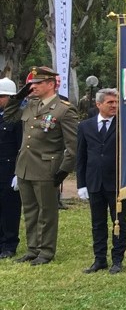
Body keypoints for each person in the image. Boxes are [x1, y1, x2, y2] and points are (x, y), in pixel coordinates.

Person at [2, 67, 78, 265]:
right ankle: (32, 248)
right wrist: (17, 98)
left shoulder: (64, 109)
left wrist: (64, 169)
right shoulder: (31, 104)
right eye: (31, 83)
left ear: (51, 84)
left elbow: (72, 145)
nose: (32, 87)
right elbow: (9, 117)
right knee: (30, 211)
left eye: (37, 83)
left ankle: (46, 251)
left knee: (47, 212)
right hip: (25, 166)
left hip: (47, 168)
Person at [76, 89, 126, 274]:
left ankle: (118, 260)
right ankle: (99, 259)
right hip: (94, 182)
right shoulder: (85, 126)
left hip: (116, 183)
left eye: (116, 102)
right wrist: (81, 184)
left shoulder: (123, 125)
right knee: (97, 223)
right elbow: (80, 156)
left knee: (119, 221)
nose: (114, 105)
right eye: (110, 102)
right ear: (98, 104)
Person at [0, 78, 23, 259]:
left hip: (9, 169)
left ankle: (9, 244)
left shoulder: (18, 118)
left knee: (9, 208)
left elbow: (21, 147)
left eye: (2, 97)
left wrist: (17, 172)